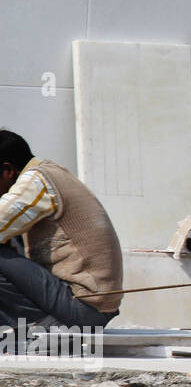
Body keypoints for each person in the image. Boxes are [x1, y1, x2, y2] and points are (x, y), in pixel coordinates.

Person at [0, 131, 124, 338]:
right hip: (89, 308)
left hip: (83, 309)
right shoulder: (51, 173)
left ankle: (36, 326)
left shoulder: (37, 180)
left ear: (8, 170)